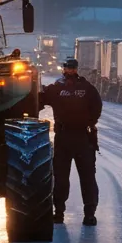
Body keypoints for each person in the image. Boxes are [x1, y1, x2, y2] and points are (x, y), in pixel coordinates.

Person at [41, 58, 102, 226]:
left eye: (73, 68)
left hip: (82, 137)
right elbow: (39, 99)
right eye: (68, 68)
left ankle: (89, 214)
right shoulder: (57, 88)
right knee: (61, 178)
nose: (70, 70)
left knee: (88, 177)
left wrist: (90, 122)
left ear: (76, 69)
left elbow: (97, 106)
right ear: (64, 68)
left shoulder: (85, 87)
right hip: (64, 137)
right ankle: (58, 212)